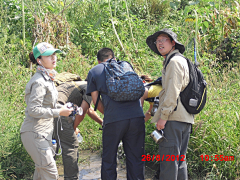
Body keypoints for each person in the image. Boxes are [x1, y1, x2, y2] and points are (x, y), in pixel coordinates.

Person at [86, 47, 145, 180]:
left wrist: (110, 114)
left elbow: (96, 101)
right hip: (137, 117)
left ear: (98, 60)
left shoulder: (95, 71)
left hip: (114, 120)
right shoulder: (126, 66)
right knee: (136, 158)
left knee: (109, 159)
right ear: (114, 57)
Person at [20, 42, 73, 180]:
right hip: (34, 133)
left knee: (41, 174)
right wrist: (59, 113)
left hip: (43, 134)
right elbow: (33, 110)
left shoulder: (48, 79)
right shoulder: (39, 81)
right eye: (48, 55)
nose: (53, 57)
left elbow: (47, 106)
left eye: (54, 54)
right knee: (50, 174)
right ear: (39, 60)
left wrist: (62, 108)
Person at [146, 28, 194, 180]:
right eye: (157, 41)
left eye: (163, 40)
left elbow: (172, 92)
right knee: (179, 161)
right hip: (184, 118)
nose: (159, 43)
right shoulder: (181, 60)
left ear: (173, 43)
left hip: (173, 118)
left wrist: (163, 117)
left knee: (168, 163)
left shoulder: (173, 62)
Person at [53, 80, 103, 180]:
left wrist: (102, 122)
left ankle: (47, 173)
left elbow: (89, 110)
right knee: (71, 145)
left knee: (53, 143)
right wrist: (73, 128)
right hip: (60, 112)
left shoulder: (79, 85)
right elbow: (83, 111)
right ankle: (71, 178)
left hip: (49, 111)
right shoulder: (90, 88)